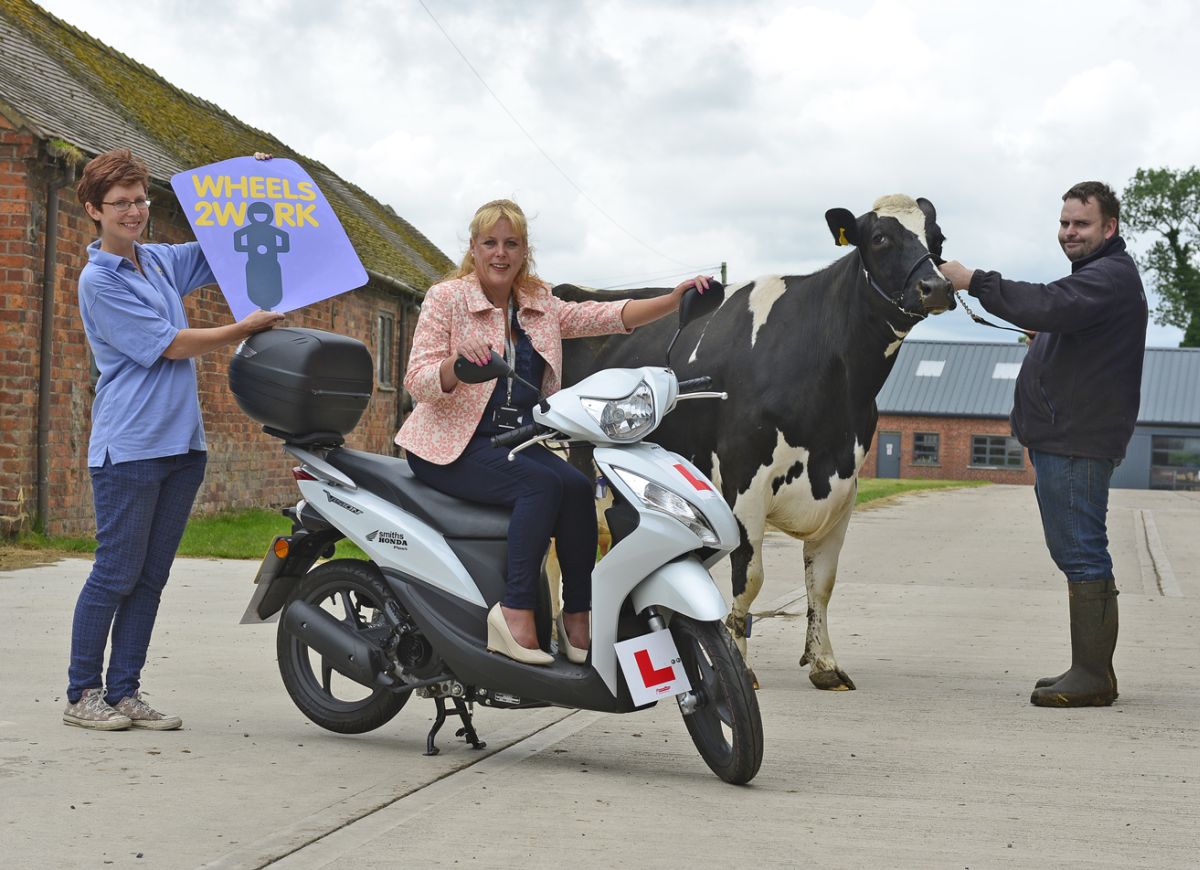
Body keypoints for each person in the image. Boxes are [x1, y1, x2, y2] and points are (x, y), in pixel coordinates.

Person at [397, 199, 708, 666]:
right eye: (490, 243)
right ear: (474, 249)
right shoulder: (447, 299)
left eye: (511, 243)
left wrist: (673, 299)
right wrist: (455, 366)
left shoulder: (538, 302)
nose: (500, 253)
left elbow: (606, 316)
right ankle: (515, 609)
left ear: (524, 251)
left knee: (579, 489)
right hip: (450, 445)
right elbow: (416, 379)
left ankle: (577, 615)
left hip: (514, 443)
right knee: (541, 486)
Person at [64, 149, 284, 730]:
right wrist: (242, 329)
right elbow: (169, 343)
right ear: (94, 210)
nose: (134, 211)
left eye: (140, 200)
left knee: (152, 577)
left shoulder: (157, 262)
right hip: (131, 446)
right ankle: (82, 694)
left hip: (182, 445)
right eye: (120, 204)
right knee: (116, 572)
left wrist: (246, 178)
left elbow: (224, 247)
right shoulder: (99, 281)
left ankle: (125, 691)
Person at [940, 181, 1148, 708]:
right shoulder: (1098, 280)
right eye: (1064, 223)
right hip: (1065, 437)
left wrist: (973, 281)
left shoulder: (1109, 277)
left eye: (1080, 223)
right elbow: (1061, 317)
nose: (1069, 232)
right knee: (1075, 550)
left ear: (1109, 228)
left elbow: (1051, 304)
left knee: (1081, 552)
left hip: (1076, 441)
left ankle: (1093, 676)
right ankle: (1089, 668)